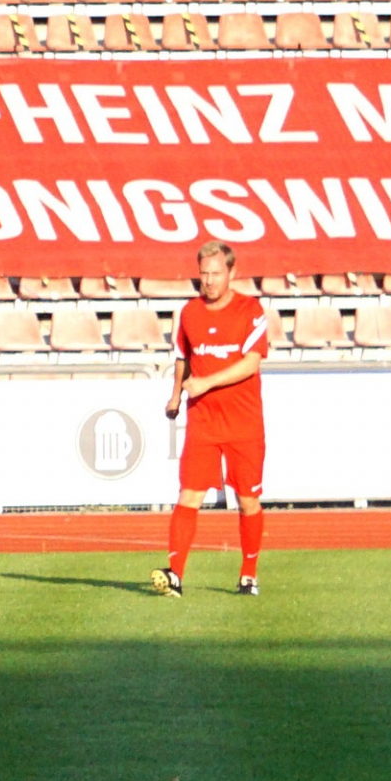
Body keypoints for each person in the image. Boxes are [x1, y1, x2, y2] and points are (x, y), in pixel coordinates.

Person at [154, 241, 271, 598]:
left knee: (247, 500)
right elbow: (183, 357)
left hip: (243, 421)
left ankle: (248, 574)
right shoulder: (189, 312)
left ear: (232, 272)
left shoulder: (250, 310)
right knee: (188, 494)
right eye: (204, 273)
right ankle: (175, 575)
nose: (209, 280)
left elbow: (251, 363)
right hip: (202, 419)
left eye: (216, 273)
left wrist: (206, 382)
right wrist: (176, 394)